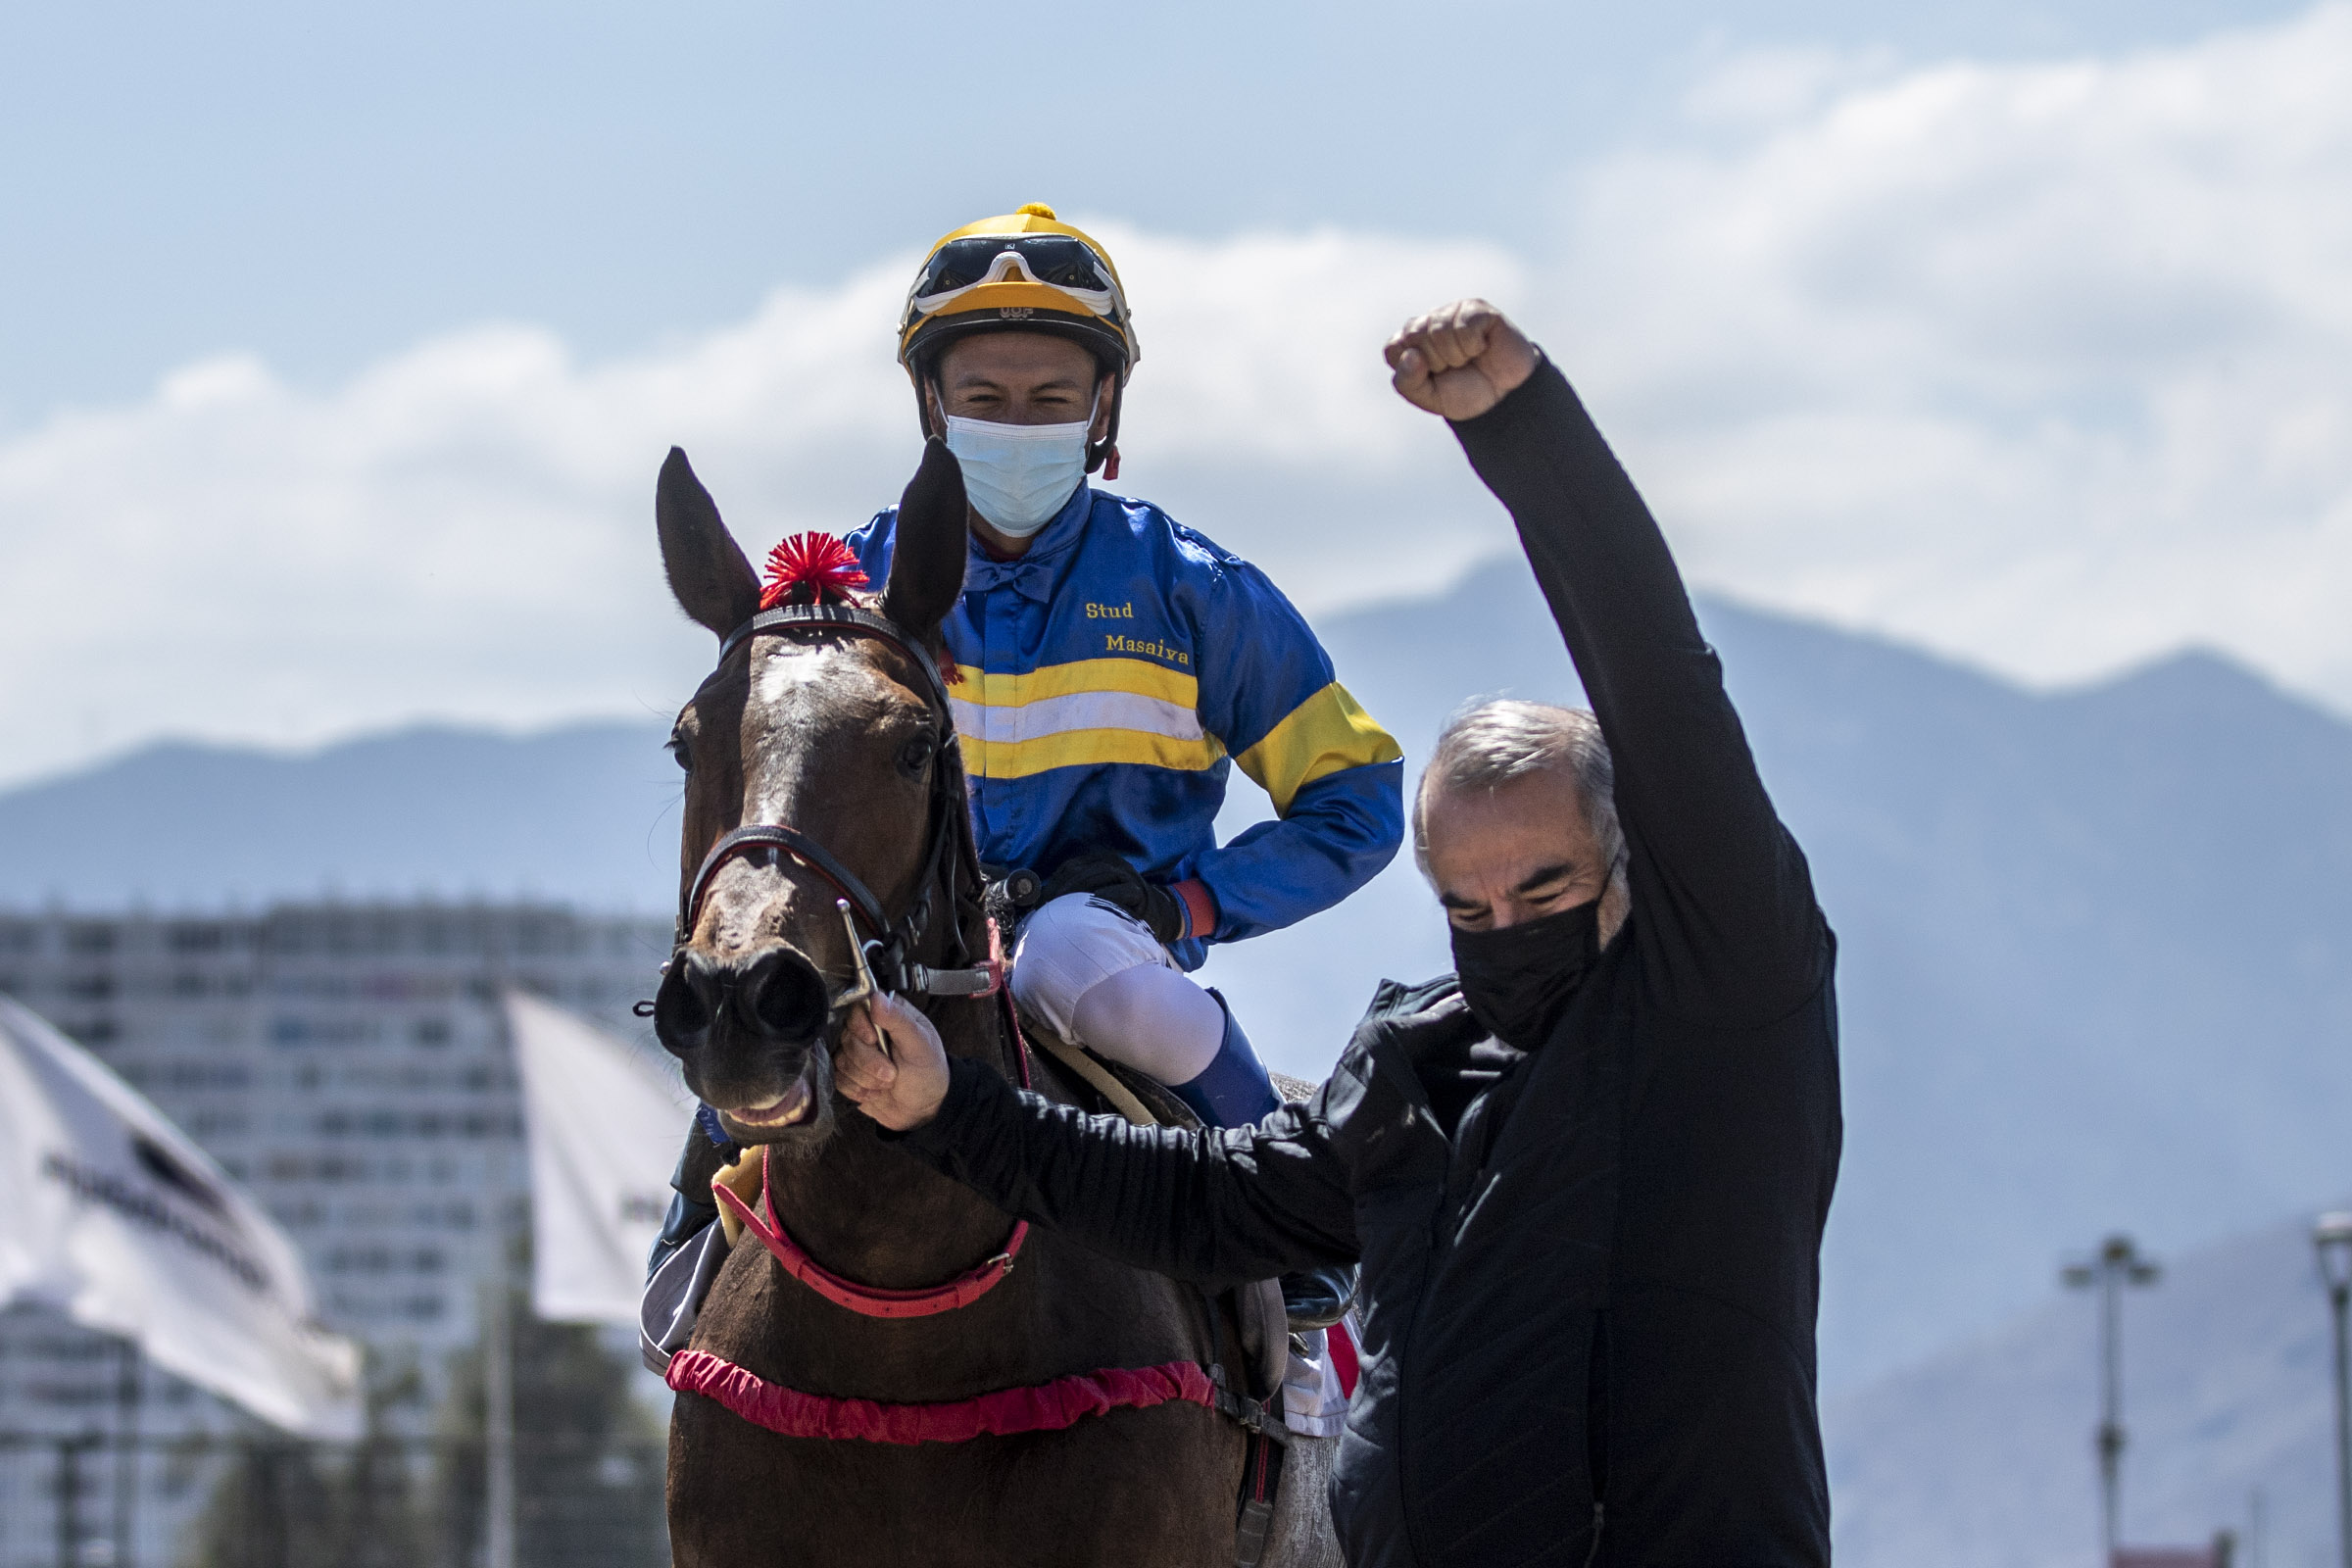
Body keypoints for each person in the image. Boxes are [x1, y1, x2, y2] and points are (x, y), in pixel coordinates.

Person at [837, 300, 1843, 1566]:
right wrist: (949, 1110)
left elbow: (1664, 682)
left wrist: (1522, 431)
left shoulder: (1725, 1006)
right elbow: (1193, 1198)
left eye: (1542, 893)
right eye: (1466, 907)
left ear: (1633, 872)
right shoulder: (1412, 1072)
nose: (1503, 930)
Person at [648, 205, 1405, 1324]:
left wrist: (1187, 902)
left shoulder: (1197, 592)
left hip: (1103, 947)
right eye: (985, 399)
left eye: (1051, 400)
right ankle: (689, 1228)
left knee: (1067, 949)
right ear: (932, 405)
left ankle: (1292, 1226)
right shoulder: (846, 590)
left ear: (1104, 408)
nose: (1017, 426)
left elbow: (1358, 800)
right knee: (764, 996)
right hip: (892, 957)